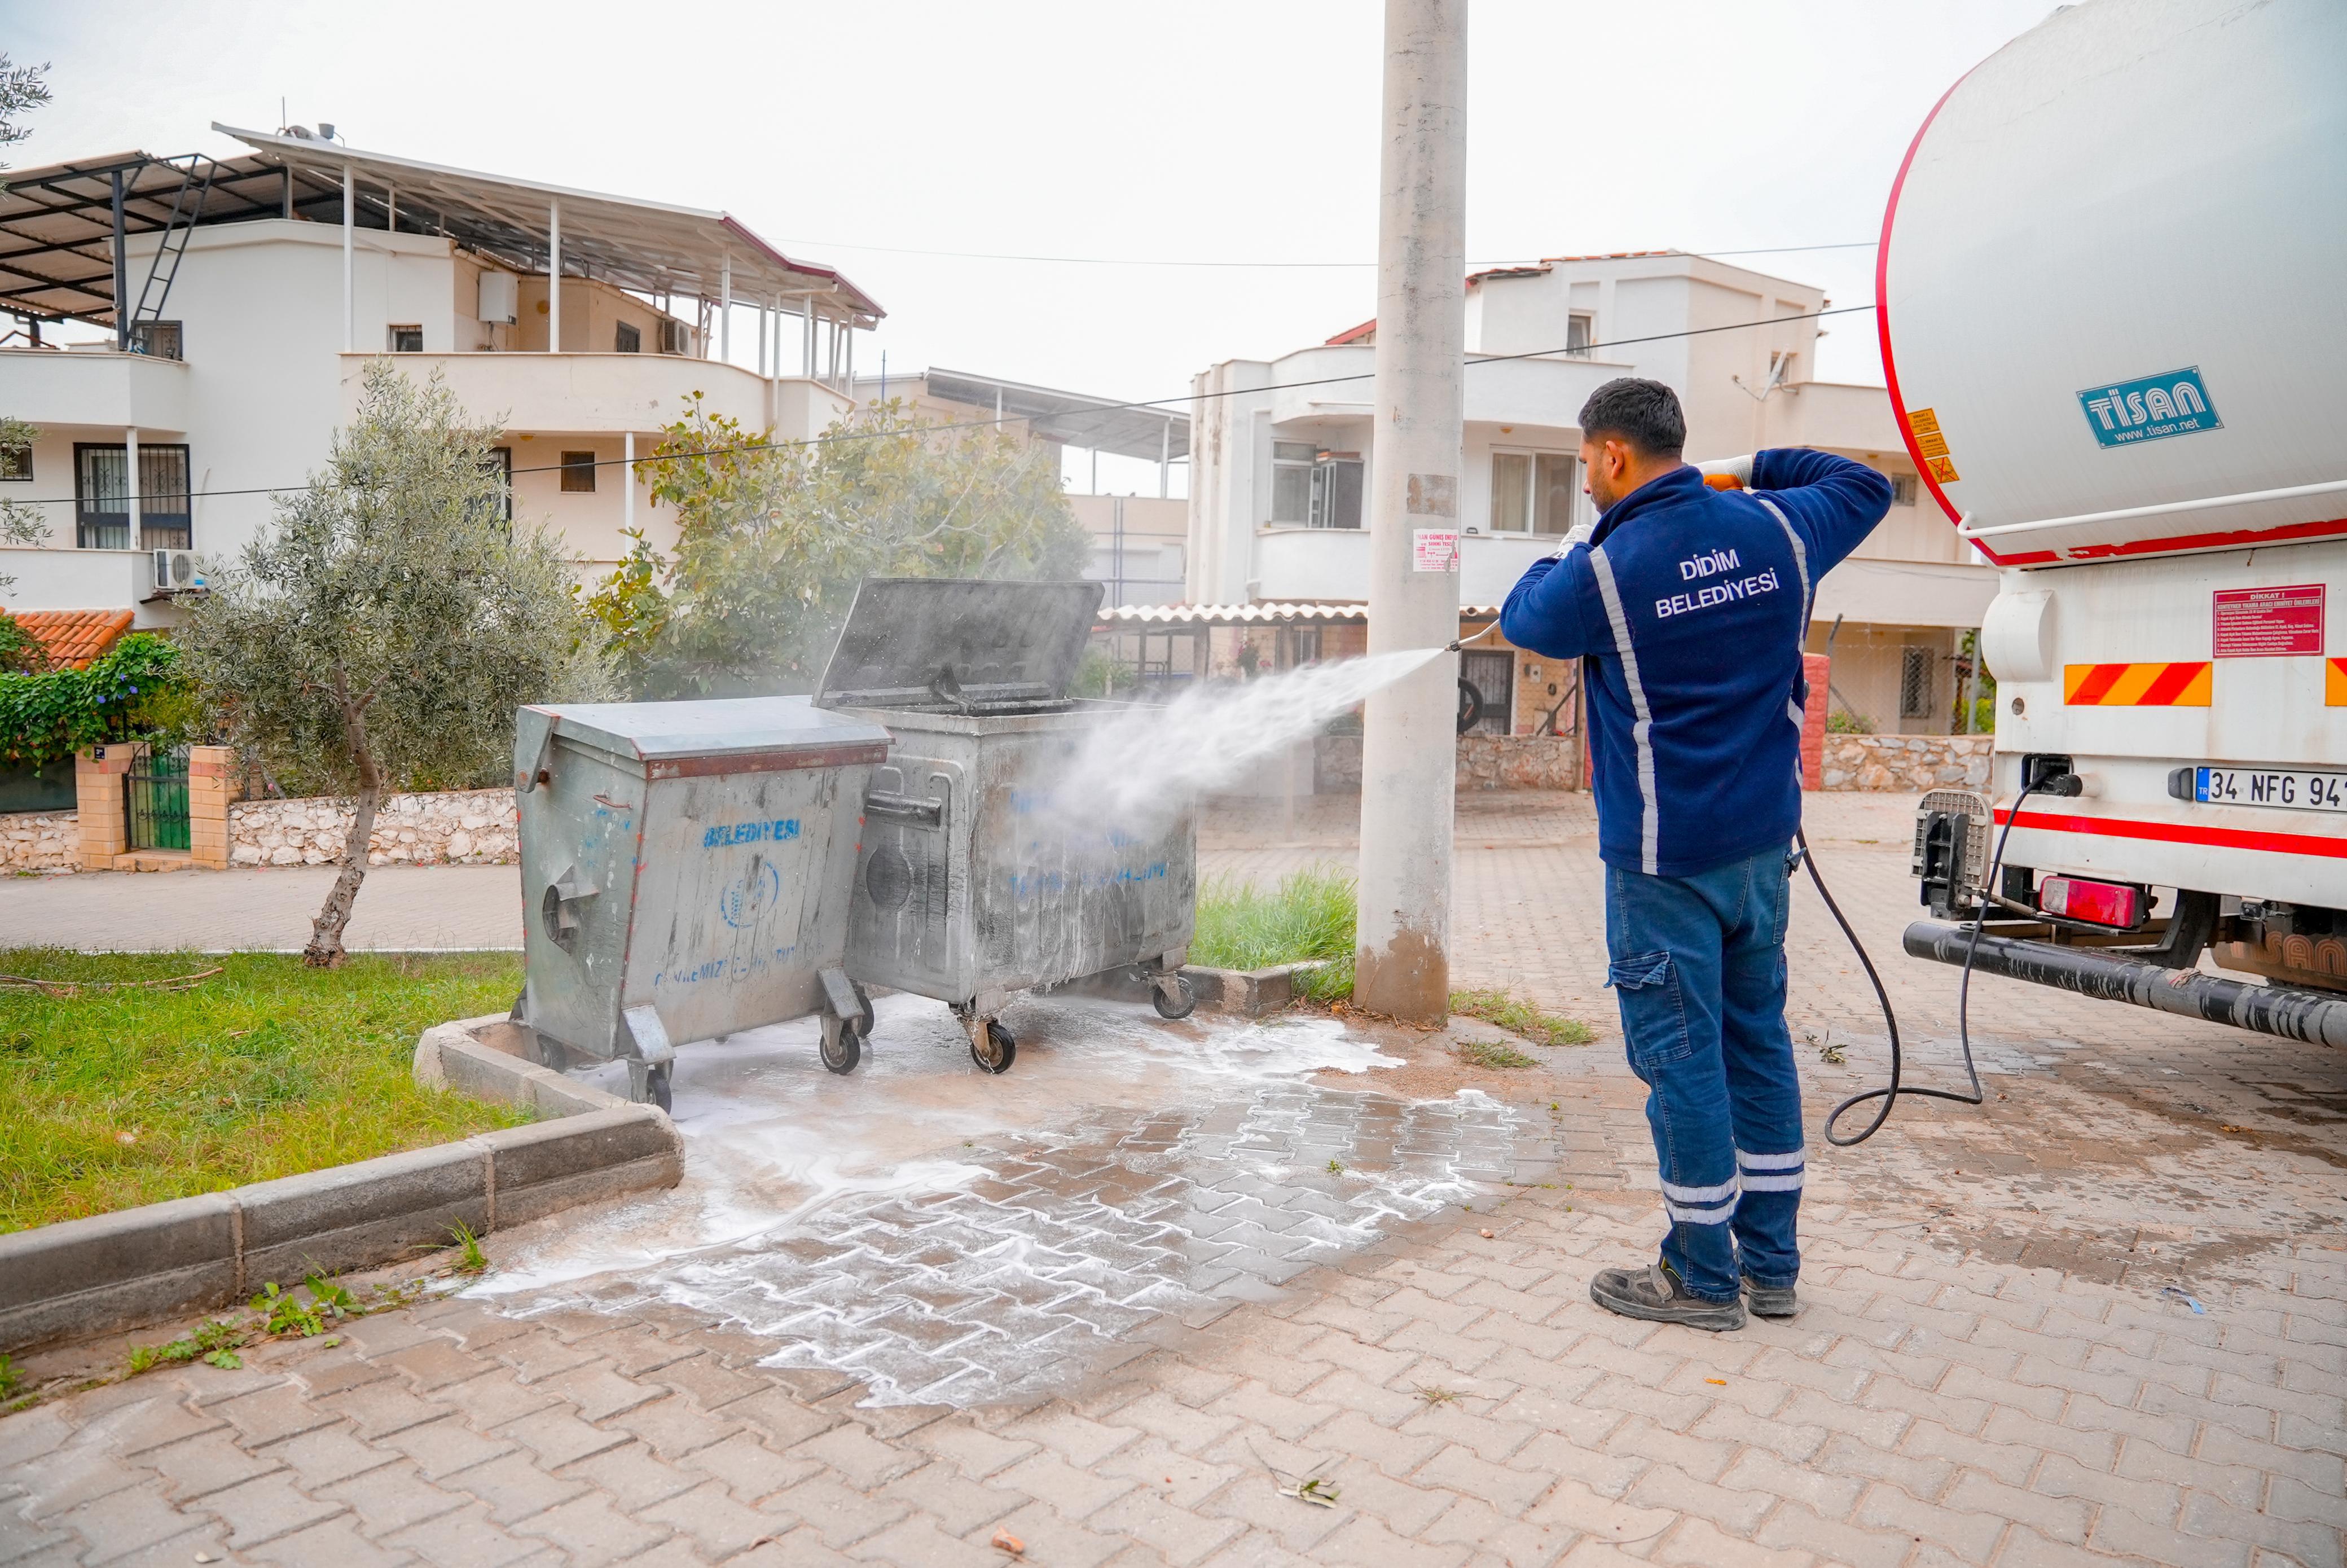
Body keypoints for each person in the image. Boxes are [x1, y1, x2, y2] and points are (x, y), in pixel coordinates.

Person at [1499, 377, 1891, 1330]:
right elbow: (1865, 485)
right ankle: (1772, 1268)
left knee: (1682, 1065)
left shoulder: (1606, 569)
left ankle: (1701, 1277)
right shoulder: (1780, 530)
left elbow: (1523, 616)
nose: (1585, 479)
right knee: (1758, 1047)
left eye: (1585, 462)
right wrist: (1745, 469)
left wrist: (1575, 541)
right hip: (1761, 855)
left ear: (1613, 456)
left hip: (1663, 866)